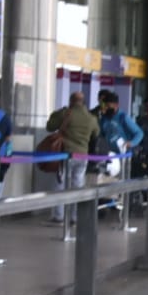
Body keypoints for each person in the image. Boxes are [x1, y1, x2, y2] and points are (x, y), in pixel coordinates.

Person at [45, 92, 99, 223]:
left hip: (66, 155)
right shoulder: (91, 118)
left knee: (60, 184)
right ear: (83, 101)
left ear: (71, 101)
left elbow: (50, 126)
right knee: (78, 186)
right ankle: (75, 216)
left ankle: (59, 216)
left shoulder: (66, 113)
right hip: (83, 156)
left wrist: (61, 112)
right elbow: (96, 133)